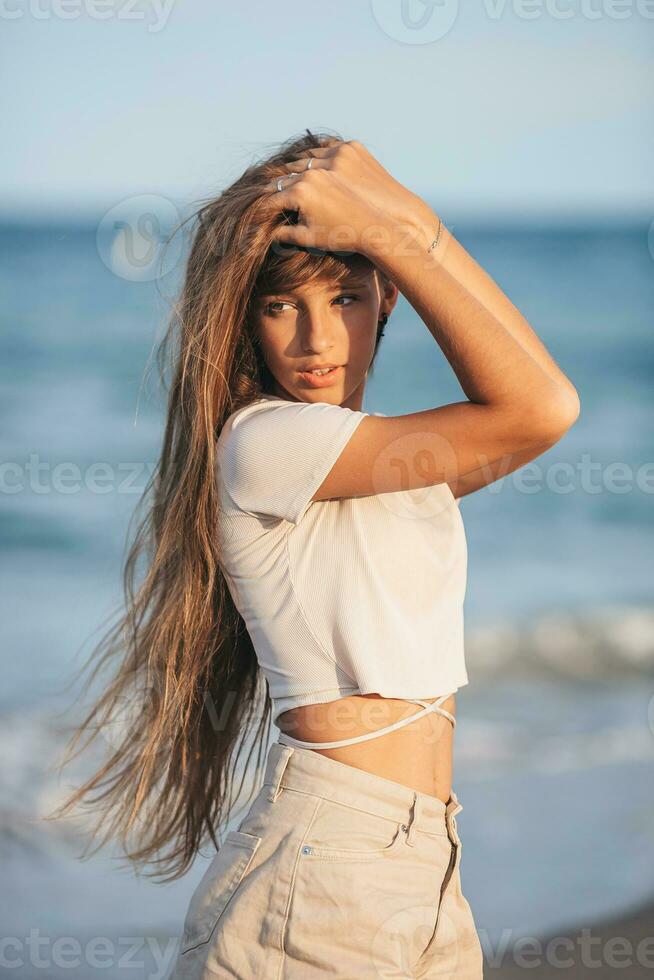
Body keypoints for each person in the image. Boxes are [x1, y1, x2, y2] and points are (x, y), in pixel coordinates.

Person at [48, 129, 580, 979]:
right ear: (245, 322)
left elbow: (530, 411)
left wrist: (395, 223)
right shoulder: (265, 446)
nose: (314, 338)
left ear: (389, 301)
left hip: (425, 863)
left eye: (345, 298)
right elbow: (542, 405)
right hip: (326, 874)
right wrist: (399, 228)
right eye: (279, 305)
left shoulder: (383, 466)